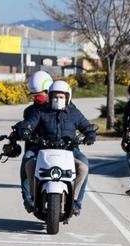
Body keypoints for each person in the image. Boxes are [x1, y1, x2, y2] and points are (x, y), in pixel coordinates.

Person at [24, 80, 96, 215]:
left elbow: (87, 127)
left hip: (69, 150)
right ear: (50, 97)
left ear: (67, 98)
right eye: (55, 97)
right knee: (29, 165)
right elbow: (30, 124)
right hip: (45, 149)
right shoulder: (41, 112)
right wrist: (25, 130)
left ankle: (75, 201)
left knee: (83, 166)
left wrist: (90, 135)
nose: (58, 99)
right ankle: (34, 197)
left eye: (61, 97)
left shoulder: (74, 113)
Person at [20, 70, 53, 212]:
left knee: (81, 164)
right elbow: (24, 126)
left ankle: (76, 201)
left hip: (60, 147)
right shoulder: (30, 111)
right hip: (36, 147)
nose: (36, 98)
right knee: (27, 160)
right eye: (33, 96)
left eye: (39, 95)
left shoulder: (64, 105)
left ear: (48, 90)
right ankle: (28, 198)